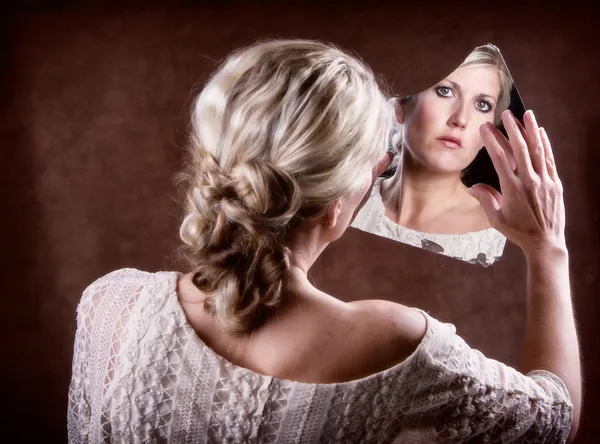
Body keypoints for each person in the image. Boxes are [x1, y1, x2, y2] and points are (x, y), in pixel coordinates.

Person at [67, 39, 580, 443]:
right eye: (376, 162)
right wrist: (546, 248)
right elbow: (553, 419)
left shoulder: (110, 305)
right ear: (338, 202)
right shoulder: (398, 345)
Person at [352, 44, 513, 266]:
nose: (461, 119)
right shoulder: (346, 200)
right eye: (445, 91)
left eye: (482, 105)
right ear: (401, 106)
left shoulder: (504, 231)